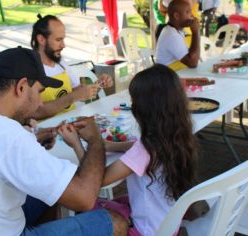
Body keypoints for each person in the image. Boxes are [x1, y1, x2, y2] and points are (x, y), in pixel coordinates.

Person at [0, 47, 128, 236]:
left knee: (49, 194)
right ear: (20, 87)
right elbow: (84, 197)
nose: (40, 103)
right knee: (114, 222)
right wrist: (95, 141)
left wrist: (33, 141)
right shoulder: (6, 134)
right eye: (38, 92)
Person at [60, 64, 199, 236]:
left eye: (134, 101)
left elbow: (96, 181)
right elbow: (140, 149)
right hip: (168, 226)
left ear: (143, 109)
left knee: (86, 206)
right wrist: (109, 146)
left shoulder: (144, 150)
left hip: (144, 231)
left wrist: (77, 144)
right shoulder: (177, 136)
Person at [30, 14, 113, 120]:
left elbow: (80, 92)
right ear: (41, 39)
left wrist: (99, 84)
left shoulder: (60, 62)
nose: (63, 45)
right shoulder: (29, 68)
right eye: (58, 40)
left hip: (72, 124)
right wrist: (74, 96)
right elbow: (36, 112)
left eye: (63, 39)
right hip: (48, 130)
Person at [155, 0, 200, 69]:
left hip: (176, 74)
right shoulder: (171, 35)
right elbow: (193, 63)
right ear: (177, 16)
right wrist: (195, 32)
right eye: (188, 12)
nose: (192, 15)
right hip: (167, 77)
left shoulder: (177, 31)